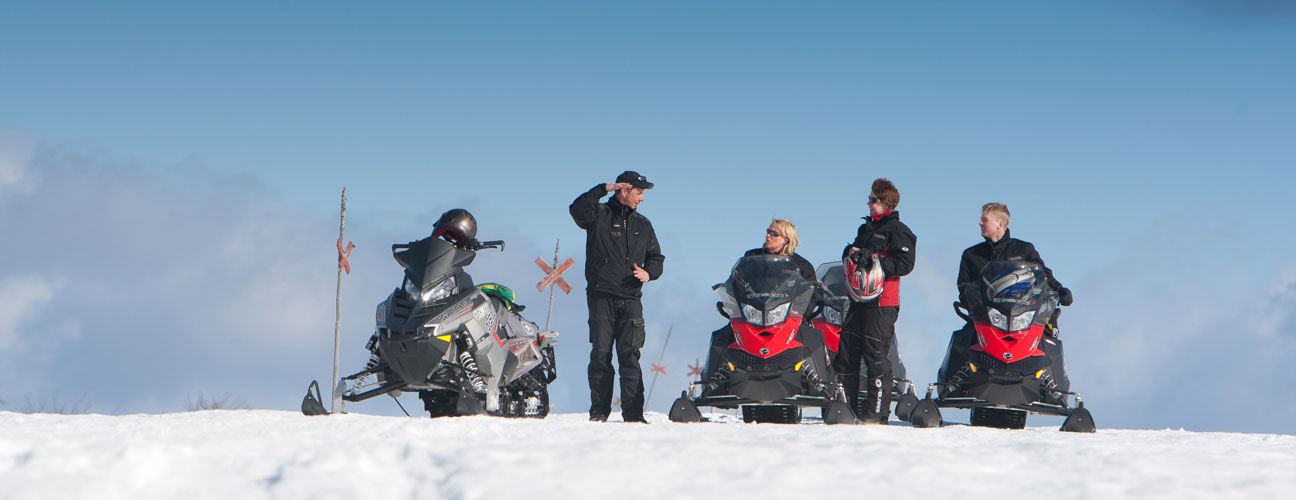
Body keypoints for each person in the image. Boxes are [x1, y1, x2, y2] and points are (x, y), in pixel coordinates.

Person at [942, 202, 1072, 394]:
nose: (980, 223)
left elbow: (1043, 275)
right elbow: (964, 286)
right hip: (985, 316)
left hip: (1021, 315)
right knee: (964, 339)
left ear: (1000, 224)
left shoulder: (1024, 250)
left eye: (984, 220)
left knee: (1046, 339)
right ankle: (951, 386)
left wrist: (1060, 290)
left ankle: (1054, 390)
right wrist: (974, 301)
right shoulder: (972, 255)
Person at [569, 171, 665, 423]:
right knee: (601, 356)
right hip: (601, 296)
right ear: (624, 190)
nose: (642, 198)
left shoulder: (643, 224)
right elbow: (576, 209)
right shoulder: (598, 215)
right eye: (639, 192)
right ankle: (599, 413)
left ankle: (634, 415)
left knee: (630, 356)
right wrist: (605, 188)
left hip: (631, 298)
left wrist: (649, 273)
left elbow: (656, 257)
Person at [832, 178, 916, 424]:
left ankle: (876, 413)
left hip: (883, 302)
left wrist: (875, 260)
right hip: (858, 299)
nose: (868, 203)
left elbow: (905, 264)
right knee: (846, 352)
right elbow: (855, 252)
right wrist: (851, 252)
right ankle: (847, 409)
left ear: (885, 203)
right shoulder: (865, 228)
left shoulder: (899, 230)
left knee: (875, 355)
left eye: (872, 200)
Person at [700, 219, 817, 384]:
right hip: (752, 313)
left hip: (788, 315)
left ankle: (819, 382)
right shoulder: (752, 258)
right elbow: (735, 281)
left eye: (774, 233)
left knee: (812, 337)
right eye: (768, 231)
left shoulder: (801, 265)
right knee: (723, 337)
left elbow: (812, 292)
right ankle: (713, 381)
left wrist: (800, 311)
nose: (768, 235)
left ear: (786, 239)